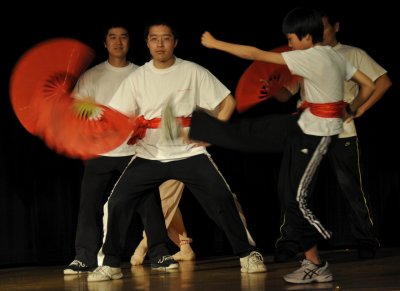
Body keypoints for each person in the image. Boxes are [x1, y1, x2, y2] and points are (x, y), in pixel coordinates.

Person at [189, 7, 374, 284]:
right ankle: (202, 128)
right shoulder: (334, 56)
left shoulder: (310, 57)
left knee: (295, 200)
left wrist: (216, 44)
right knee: (278, 179)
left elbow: (254, 54)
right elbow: (368, 85)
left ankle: (320, 256)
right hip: (302, 124)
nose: (289, 45)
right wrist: (351, 108)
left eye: (291, 39)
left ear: (307, 38)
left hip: (317, 133)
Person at [87, 18, 266, 282]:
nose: (160, 44)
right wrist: (97, 119)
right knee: (117, 202)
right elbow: (116, 117)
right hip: (149, 154)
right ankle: (111, 263)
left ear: (175, 42)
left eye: (166, 38)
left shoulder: (192, 71)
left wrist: (211, 132)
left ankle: (247, 254)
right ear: (147, 43)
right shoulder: (138, 77)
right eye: (154, 39)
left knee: (222, 198)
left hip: (188, 153)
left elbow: (227, 102)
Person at [63, 23, 193, 275]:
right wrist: (95, 114)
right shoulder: (92, 75)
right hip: (100, 151)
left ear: (130, 42)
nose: (118, 42)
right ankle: (84, 258)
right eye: (112, 37)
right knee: (89, 205)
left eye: (123, 37)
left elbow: (153, 107)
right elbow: (76, 109)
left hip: (135, 151)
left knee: (149, 204)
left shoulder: (141, 74)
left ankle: (159, 254)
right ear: (105, 43)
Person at [274, 9, 392, 262]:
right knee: (296, 190)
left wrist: (358, 109)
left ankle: (366, 240)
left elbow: (382, 82)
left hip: (341, 130)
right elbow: (286, 93)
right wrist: (271, 85)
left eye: (324, 26)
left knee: (351, 187)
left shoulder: (351, 54)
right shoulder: (303, 56)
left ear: (335, 27)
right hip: (308, 130)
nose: (320, 31)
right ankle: (289, 241)